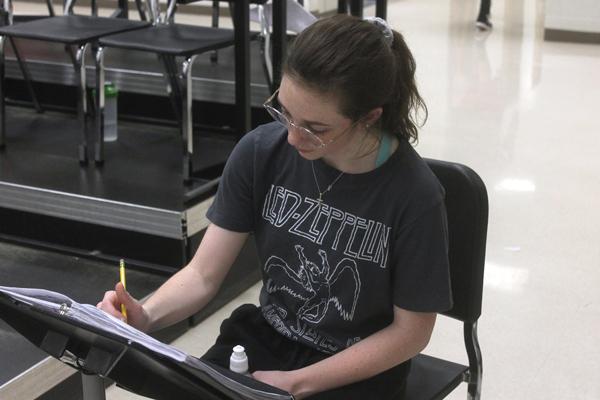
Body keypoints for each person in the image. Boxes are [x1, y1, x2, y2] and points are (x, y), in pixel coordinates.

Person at [97, 14, 452, 400]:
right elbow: (202, 274)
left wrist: (296, 383)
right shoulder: (261, 152)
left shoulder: (414, 196)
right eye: (284, 111)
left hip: (358, 368)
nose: (293, 137)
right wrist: (146, 316)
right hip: (267, 337)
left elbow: (411, 333)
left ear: (369, 117)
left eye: (315, 128)